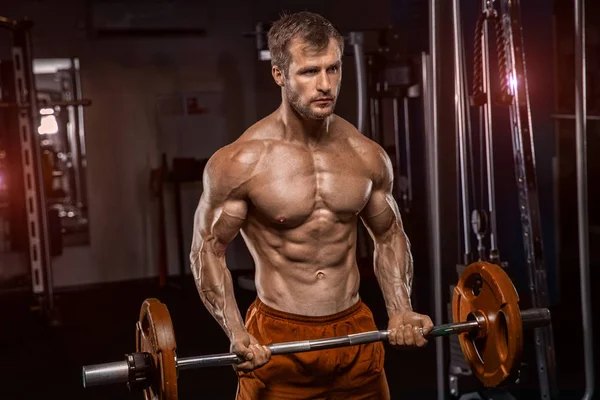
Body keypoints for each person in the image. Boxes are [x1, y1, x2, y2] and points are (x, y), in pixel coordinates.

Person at [190, 11, 434, 400]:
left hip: (354, 332)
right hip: (276, 340)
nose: (325, 85)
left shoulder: (366, 155)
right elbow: (207, 249)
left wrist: (401, 308)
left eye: (333, 69)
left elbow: (389, 235)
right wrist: (236, 331)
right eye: (309, 72)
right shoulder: (241, 161)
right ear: (279, 74)